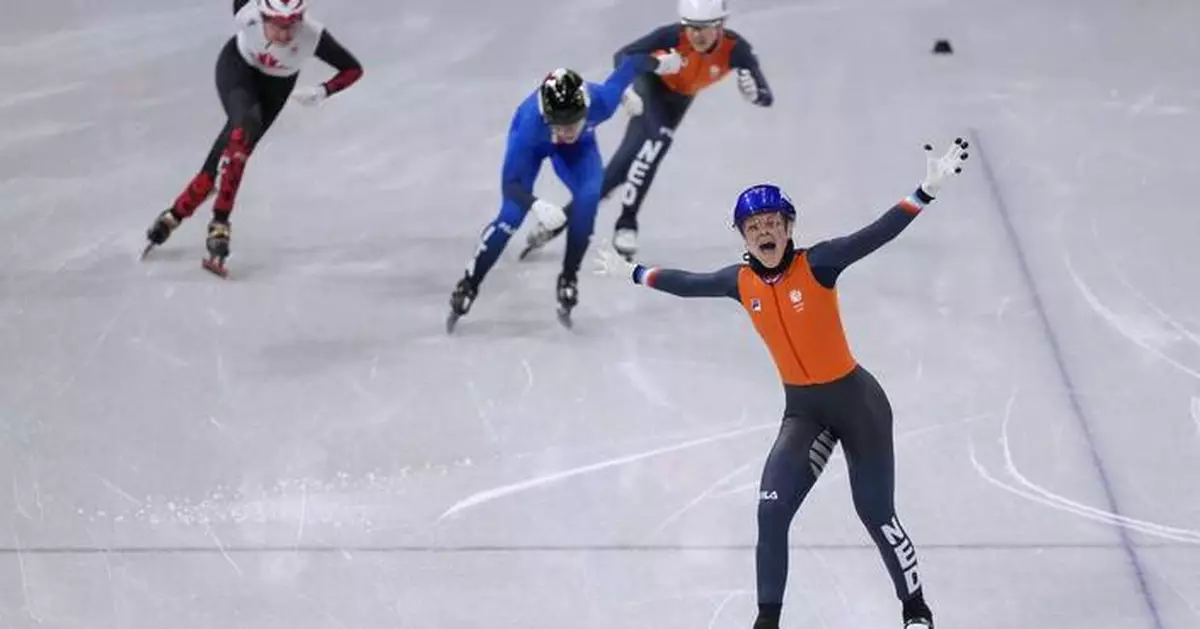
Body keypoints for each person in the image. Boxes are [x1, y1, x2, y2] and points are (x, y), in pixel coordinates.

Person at [593, 139, 970, 629]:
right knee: (771, 512)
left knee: (875, 513)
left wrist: (925, 191)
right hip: (805, 413)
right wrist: (635, 272)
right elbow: (689, 283)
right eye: (755, 227)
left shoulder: (819, 264)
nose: (765, 232)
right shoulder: (739, 283)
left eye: (773, 223)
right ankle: (767, 621)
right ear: (744, 238)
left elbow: (874, 235)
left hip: (859, 406)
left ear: (789, 228)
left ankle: (915, 608)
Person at [445, 50, 684, 332]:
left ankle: (569, 277)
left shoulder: (602, 103)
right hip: (536, 146)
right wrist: (534, 203)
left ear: (585, 110)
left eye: (574, 122)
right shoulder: (529, 129)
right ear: (548, 119)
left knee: (588, 197)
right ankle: (470, 283)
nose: (568, 131)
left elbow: (632, 64)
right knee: (511, 216)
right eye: (561, 125)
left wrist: (663, 63)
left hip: (579, 151)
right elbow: (511, 187)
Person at [519, 0, 773, 262]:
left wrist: (756, 95)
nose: (695, 35)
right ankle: (627, 222)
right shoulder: (673, 36)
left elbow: (766, 95)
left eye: (704, 28)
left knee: (617, 173)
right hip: (650, 92)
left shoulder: (736, 49)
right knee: (654, 146)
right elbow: (623, 55)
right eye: (690, 27)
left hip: (678, 103)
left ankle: (561, 221)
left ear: (721, 25)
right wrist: (626, 89)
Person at [141, 0, 363, 277]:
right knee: (243, 129)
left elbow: (353, 69)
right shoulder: (246, 12)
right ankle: (219, 224)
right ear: (262, 17)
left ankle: (175, 213)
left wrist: (323, 90)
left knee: (235, 149)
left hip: (276, 89)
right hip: (237, 69)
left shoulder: (313, 36)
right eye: (276, 27)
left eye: (291, 27)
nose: (284, 35)